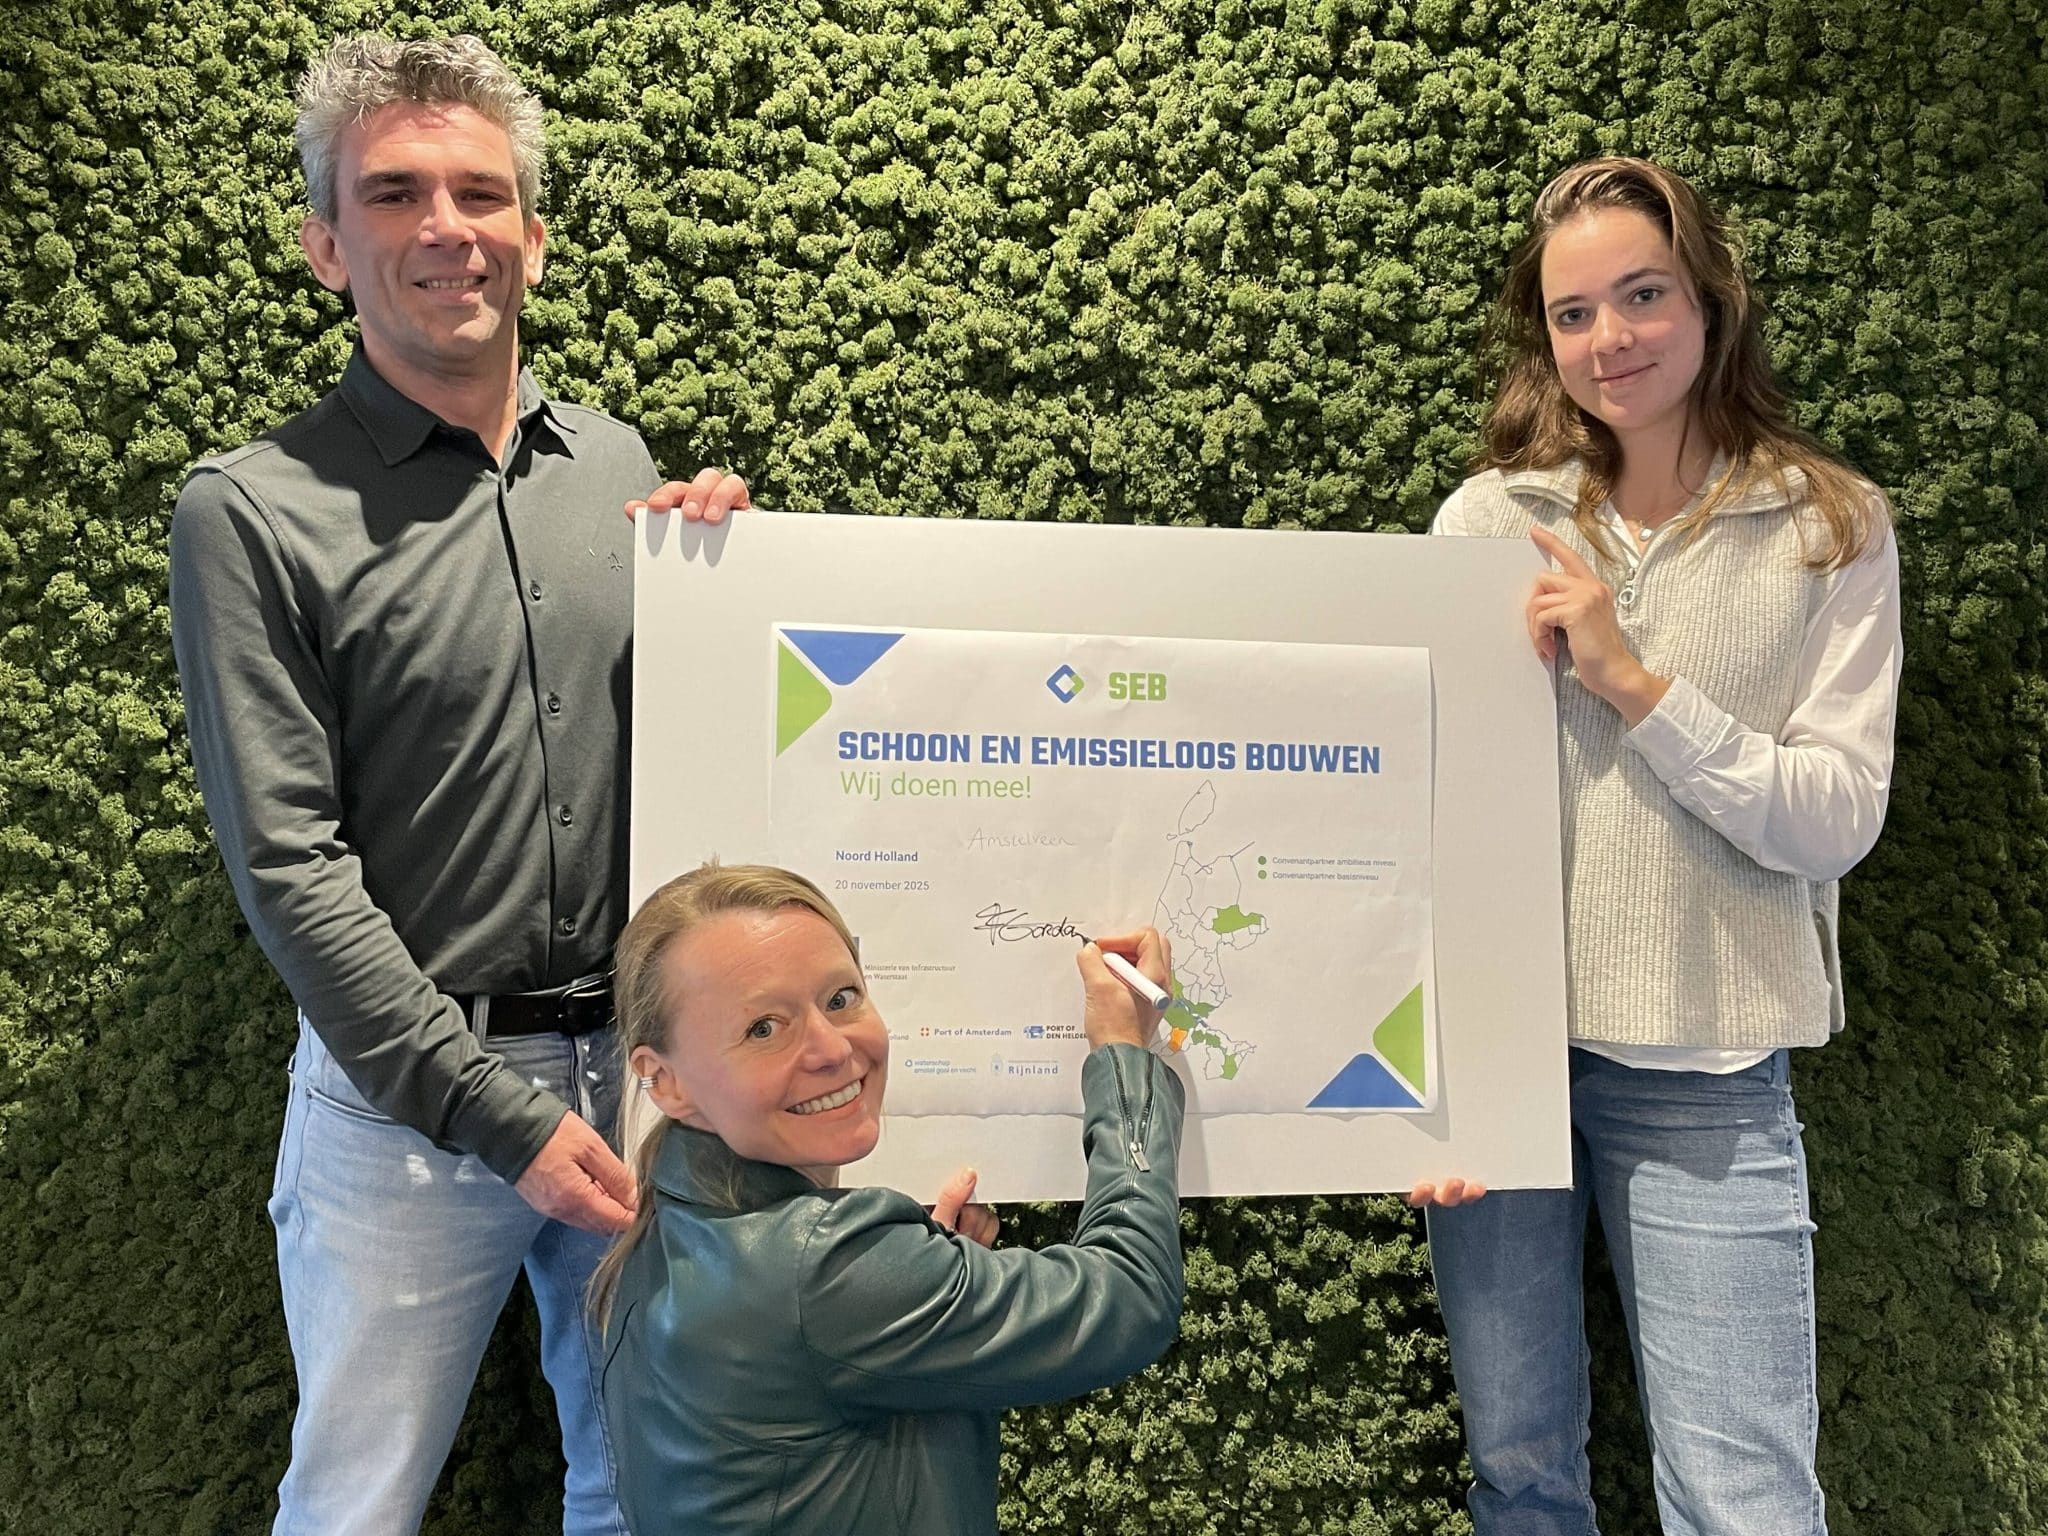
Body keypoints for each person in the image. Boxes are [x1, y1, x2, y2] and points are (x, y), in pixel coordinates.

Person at [169, 34, 745, 1534]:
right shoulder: (251, 512)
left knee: (647, 1489)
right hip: (401, 1114)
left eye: (481, 194)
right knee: (356, 1505)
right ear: (326, 246)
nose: (447, 228)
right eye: (394, 194)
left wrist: (736, 582)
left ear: (533, 238)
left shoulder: (617, 468)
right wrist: (498, 1116)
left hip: (641, 1081)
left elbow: (703, 754)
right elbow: (290, 870)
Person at [1415, 157, 1902, 1534]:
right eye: (1571, 313)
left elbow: (1834, 816)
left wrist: (1632, 682)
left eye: (1641, 296)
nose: (1608, 338)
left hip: (1706, 1062)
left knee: (1743, 1497)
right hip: (1499, 1063)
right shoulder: (1488, 523)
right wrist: (1411, 1076)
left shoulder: (1827, 524)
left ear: (1710, 298)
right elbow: (1418, 810)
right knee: (1518, 1474)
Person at [590, 863, 1187, 1535]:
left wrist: (917, 1274)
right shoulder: (825, 1266)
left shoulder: (660, 1235)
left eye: (841, 998)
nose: (830, 1047)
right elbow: (1130, 1294)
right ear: (664, 1081)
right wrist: (1124, 1054)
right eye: (763, 1028)